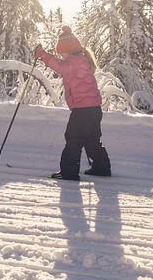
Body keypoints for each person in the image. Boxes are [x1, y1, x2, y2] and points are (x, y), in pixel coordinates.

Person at [34, 26, 112, 181]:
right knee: (91, 139)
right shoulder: (81, 59)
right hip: (93, 109)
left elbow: (60, 67)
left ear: (67, 50)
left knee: (73, 138)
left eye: (61, 52)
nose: (60, 55)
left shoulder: (74, 61)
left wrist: (43, 55)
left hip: (83, 110)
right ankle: (101, 168)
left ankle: (69, 172)